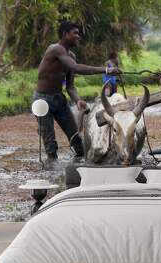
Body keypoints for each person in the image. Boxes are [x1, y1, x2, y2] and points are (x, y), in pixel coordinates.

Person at [33, 20, 121, 165]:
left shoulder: (71, 56)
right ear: (65, 34)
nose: (78, 36)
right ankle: (52, 175)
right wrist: (106, 70)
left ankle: (78, 169)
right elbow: (76, 68)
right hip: (42, 100)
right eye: (75, 33)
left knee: (77, 141)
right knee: (50, 146)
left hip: (59, 99)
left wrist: (77, 100)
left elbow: (70, 86)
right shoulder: (55, 49)